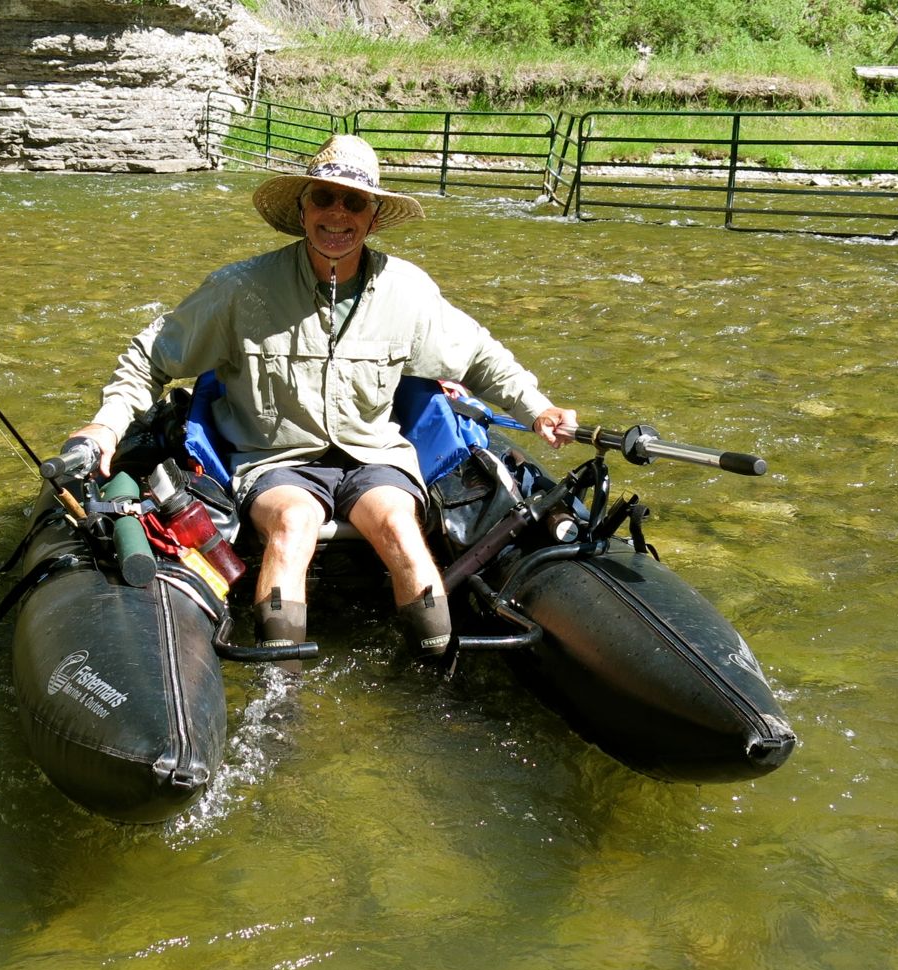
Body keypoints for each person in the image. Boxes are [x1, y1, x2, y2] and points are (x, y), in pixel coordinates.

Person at [68, 134, 576, 663]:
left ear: (373, 217)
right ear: (302, 208)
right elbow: (151, 356)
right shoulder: (240, 289)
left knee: (400, 526)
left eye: (354, 202)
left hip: (374, 457)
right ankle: (278, 689)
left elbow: (480, 357)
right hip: (276, 461)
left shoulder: (408, 292)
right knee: (294, 523)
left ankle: (436, 673)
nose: (338, 213)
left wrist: (537, 408)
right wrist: (107, 425)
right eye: (324, 198)